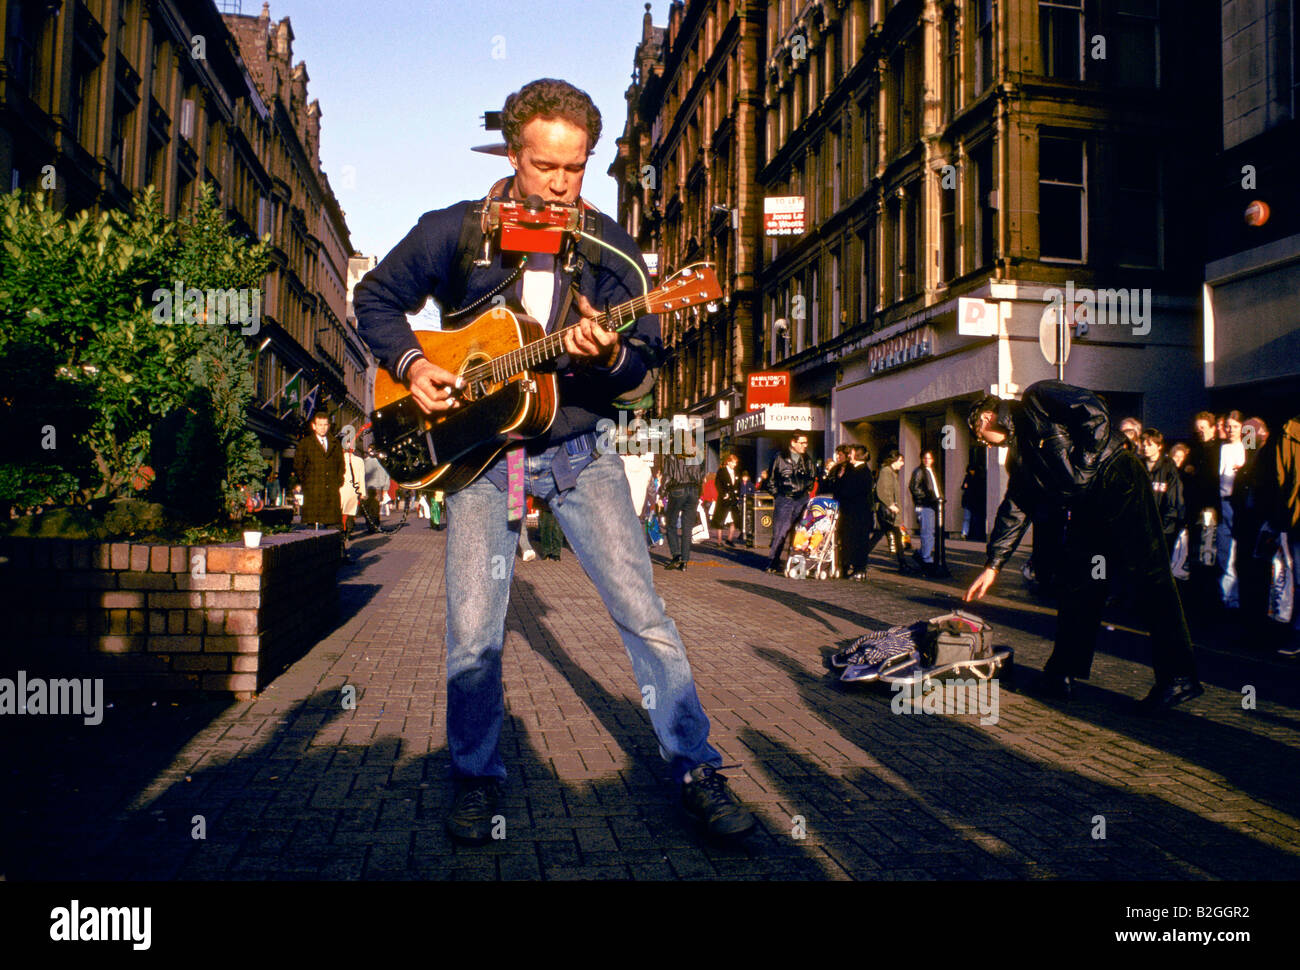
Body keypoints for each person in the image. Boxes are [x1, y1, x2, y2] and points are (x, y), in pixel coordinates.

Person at [353, 78, 752, 842]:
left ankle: (695, 765)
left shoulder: (609, 247)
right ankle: (474, 780)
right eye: (547, 168)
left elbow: (643, 372)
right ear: (513, 154)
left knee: (646, 616)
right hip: (477, 458)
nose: (564, 185)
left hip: (579, 450)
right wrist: (410, 364)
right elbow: (374, 298)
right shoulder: (455, 231)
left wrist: (605, 358)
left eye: (578, 168)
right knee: (474, 632)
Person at [962, 382, 1202, 710]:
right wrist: (993, 565)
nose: (983, 444)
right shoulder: (1020, 458)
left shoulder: (1037, 398)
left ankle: (1179, 677)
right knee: (1078, 583)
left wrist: (1084, 467)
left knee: (1150, 576)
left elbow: (1096, 412)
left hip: (1118, 477)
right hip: (1089, 500)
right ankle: (1061, 673)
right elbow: (1016, 505)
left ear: (986, 418)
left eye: (978, 436)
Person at [763, 433, 818, 574]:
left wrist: (806, 490)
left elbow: (812, 476)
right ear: (793, 443)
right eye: (802, 442)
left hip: (802, 500)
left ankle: (794, 564)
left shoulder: (807, 459)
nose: (805, 445)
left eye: (806, 443)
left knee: (801, 532)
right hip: (785, 499)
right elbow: (770, 480)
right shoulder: (780, 458)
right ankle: (773, 562)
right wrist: (778, 495)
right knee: (780, 532)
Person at [659, 435, 705, 570]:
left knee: (671, 523)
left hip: (678, 490)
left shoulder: (672, 456)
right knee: (687, 527)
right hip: (694, 491)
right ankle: (684, 561)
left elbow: (667, 476)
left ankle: (676, 555)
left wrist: (662, 493)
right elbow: (702, 476)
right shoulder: (698, 457)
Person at [864, 451, 913, 574]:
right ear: (894, 460)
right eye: (900, 461)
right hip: (887, 512)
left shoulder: (891, 472)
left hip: (888, 513)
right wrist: (891, 505)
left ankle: (861, 558)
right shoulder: (886, 472)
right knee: (894, 536)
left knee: (880, 536)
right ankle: (902, 564)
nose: (902, 463)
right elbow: (882, 491)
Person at [293, 411, 343, 529]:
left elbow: (341, 465)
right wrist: (306, 482)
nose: (323, 428)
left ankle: (333, 547)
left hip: (331, 491)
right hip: (313, 491)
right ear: (314, 426)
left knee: (333, 526)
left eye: (325, 425)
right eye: (320, 425)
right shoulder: (306, 443)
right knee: (312, 527)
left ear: (329, 426)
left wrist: (338, 481)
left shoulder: (335, 443)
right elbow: (298, 465)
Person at [1218, 410, 1248, 609]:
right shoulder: (1223, 447)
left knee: (1236, 551)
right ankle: (1225, 597)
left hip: (1238, 502)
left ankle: (1235, 598)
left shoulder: (1247, 445)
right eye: (1228, 426)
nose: (1231, 430)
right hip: (1222, 501)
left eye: (1235, 426)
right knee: (1223, 550)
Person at [831, 445, 874, 581]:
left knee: (859, 541)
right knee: (848, 540)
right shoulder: (851, 469)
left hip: (859, 514)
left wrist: (842, 489)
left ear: (858, 455)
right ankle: (847, 566)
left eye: (852, 453)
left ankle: (859, 569)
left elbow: (850, 491)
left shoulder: (863, 472)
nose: (849, 456)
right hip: (849, 512)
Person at [1139, 429, 1184, 555]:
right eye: (1143, 444)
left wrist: (1165, 528)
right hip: (1142, 527)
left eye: (1149, 444)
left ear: (1159, 446)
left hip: (1164, 527)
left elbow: (1173, 499)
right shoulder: (1138, 465)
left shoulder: (1169, 466)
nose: (1145, 447)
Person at [909, 450, 942, 575]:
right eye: (925, 458)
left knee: (931, 532)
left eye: (929, 458)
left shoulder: (932, 471)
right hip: (925, 505)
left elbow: (935, 487)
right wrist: (926, 498)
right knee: (927, 531)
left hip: (934, 505)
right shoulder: (919, 471)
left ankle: (923, 554)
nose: (927, 460)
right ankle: (925, 558)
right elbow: (914, 488)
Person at [711, 452, 742, 546]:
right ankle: (719, 541)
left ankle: (729, 539)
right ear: (728, 462)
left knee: (734, 520)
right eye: (733, 462)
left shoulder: (736, 472)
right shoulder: (722, 471)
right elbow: (718, 484)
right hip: (724, 498)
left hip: (733, 499)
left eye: (735, 463)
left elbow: (738, 484)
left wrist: (738, 494)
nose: (735, 464)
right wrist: (723, 494)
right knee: (720, 520)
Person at [339, 442, 368, 540]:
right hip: (353, 490)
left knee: (340, 512)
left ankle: (340, 533)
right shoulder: (359, 461)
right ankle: (348, 533)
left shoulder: (338, 460)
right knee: (351, 512)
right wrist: (363, 493)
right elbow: (361, 478)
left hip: (339, 490)